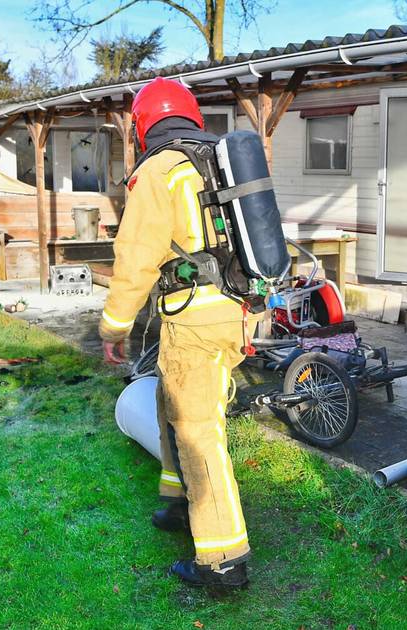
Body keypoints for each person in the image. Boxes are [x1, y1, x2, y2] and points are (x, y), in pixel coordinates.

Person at [99, 77, 252, 592]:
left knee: (198, 431)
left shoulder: (158, 169)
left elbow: (136, 256)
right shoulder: (216, 157)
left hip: (193, 315)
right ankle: (175, 501)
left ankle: (223, 559)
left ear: (144, 125)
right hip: (229, 308)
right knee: (172, 401)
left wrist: (114, 325)